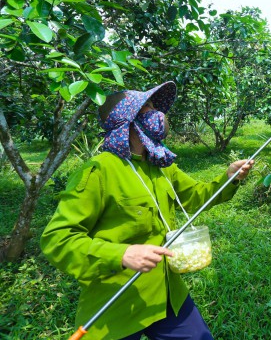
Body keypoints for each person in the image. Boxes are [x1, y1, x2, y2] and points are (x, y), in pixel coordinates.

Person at [40, 81, 253, 340]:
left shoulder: (159, 163)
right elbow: (57, 239)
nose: (157, 115)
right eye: (146, 109)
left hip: (165, 292)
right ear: (125, 121)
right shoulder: (100, 170)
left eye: (154, 108)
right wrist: (121, 254)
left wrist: (229, 178)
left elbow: (196, 196)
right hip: (117, 299)